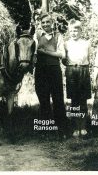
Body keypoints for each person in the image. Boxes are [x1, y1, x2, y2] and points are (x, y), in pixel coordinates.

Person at [34, 13, 69, 141]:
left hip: (54, 70)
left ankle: (62, 131)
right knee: (44, 101)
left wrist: (45, 52)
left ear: (52, 23)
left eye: (47, 22)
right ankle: (45, 131)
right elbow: (33, 51)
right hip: (40, 71)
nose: (45, 25)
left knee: (58, 100)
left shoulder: (58, 36)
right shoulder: (37, 35)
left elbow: (62, 55)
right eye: (43, 22)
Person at [64, 19, 92, 138]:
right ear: (69, 32)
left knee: (83, 100)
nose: (74, 33)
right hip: (71, 71)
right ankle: (75, 127)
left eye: (76, 30)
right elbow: (64, 60)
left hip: (83, 71)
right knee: (74, 100)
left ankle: (83, 127)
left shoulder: (86, 43)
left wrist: (83, 67)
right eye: (71, 31)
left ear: (81, 31)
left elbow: (89, 59)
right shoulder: (66, 44)